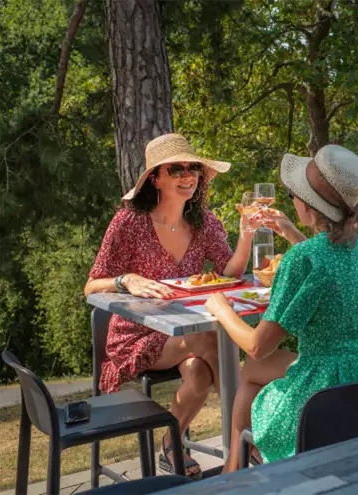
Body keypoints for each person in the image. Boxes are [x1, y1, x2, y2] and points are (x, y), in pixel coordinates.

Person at [84, 133, 254, 479]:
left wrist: (247, 234)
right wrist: (125, 279)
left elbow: (228, 272)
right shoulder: (128, 223)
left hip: (185, 332)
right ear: (155, 179)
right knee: (213, 341)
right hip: (136, 334)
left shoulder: (202, 221)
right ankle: (247, 447)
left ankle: (170, 443)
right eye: (177, 169)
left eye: (193, 168)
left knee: (199, 370)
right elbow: (91, 285)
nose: (188, 175)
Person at [204, 145, 358, 472]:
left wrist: (221, 309)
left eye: (296, 194)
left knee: (251, 367)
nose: (294, 199)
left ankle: (237, 468)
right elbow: (331, 269)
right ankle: (237, 465)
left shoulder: (304, 260)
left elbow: (259, 346)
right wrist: (290, 231)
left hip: (320, 393)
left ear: (309, 205)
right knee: (253, 372)